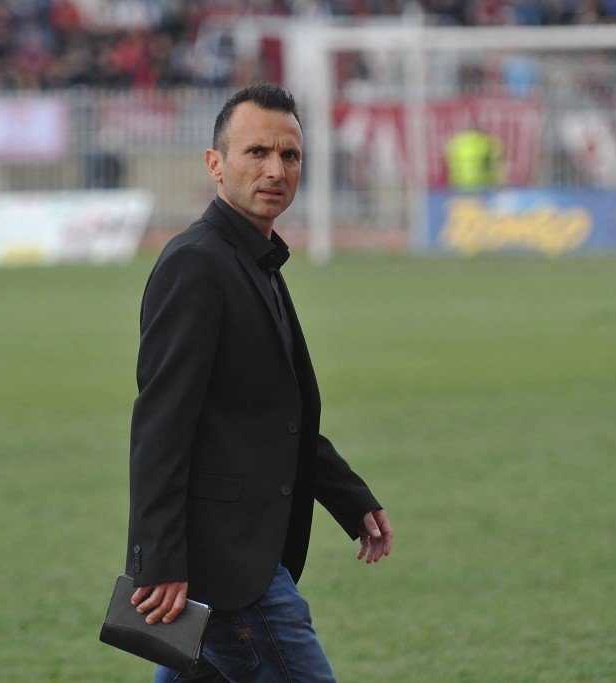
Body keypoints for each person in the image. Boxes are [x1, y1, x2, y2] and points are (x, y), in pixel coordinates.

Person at [123, 83, 394, 682]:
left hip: (234, 557)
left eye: (289, 155)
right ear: (215, 164)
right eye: (256, 153)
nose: (276, 170)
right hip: (223, 566)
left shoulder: (255, 258)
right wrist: (157, 559)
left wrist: (347, 495)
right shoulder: (197, 263)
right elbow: (161, 424)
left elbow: (271, 414)